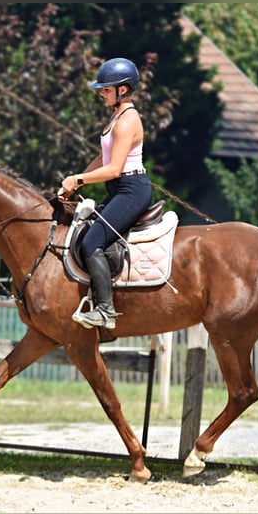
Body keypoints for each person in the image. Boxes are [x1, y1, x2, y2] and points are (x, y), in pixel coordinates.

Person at [59, 57, 153, 329]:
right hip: (121, 189)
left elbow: (113, 169)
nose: (102, 93)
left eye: (106, 89)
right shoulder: (117, 116)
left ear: (123, 90)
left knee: (91, 242)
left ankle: (105, 310)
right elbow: (104, 157)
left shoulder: (127, 120)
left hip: (130, 191)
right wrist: (78, 182)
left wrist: (77, 178)